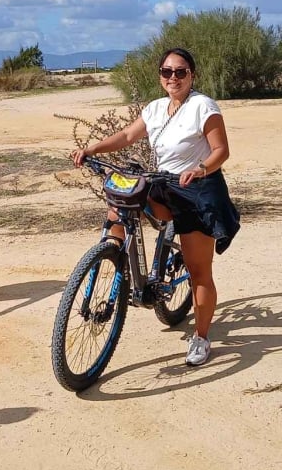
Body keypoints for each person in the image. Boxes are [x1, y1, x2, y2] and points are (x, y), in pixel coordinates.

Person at [71, 47, 239, 366]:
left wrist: (201, 168)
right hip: (164, 184)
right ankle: (111, 250)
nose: (173, 77)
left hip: (198, 191)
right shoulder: (156, 108)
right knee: (123, 196)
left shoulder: (203, 106)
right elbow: (126, 135)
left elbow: (221, 150)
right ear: (160, 76)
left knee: (199, 272)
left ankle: (201, 338)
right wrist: (92, 149)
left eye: (180, 72)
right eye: (167, 72)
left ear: (192, 75)